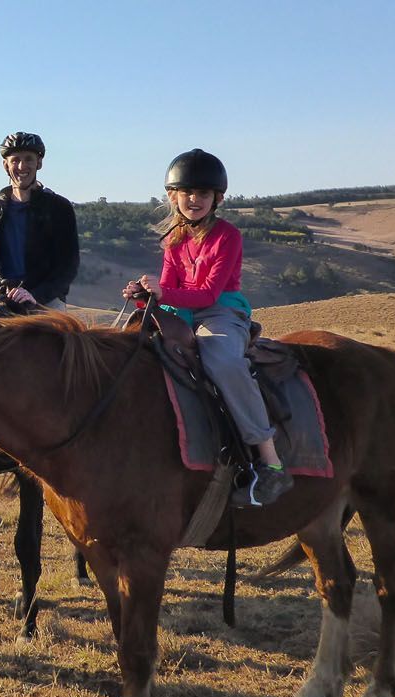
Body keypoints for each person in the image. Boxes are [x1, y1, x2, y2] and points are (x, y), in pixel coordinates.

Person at [124, 149, 293, 506]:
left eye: (203, 193)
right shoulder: (173, 239)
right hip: (182, 313)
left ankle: (271, 463)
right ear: (173, 197)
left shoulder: (228, 236)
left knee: (222, 362)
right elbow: (171, 289)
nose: (194, 200)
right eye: (187, 193)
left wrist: (163, 291)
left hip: (220, 313)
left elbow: (208, 293)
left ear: (217, 198)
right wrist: (145, 297)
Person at [0, 132, 79, 310]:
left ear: (39, 163)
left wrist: (35, 295)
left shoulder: (59, 208)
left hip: (45, 302)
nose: (22, 166)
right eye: (15, 160)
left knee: (54, 338)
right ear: (5, 165)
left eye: (29, 159)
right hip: (0, 301)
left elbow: (68, 266)